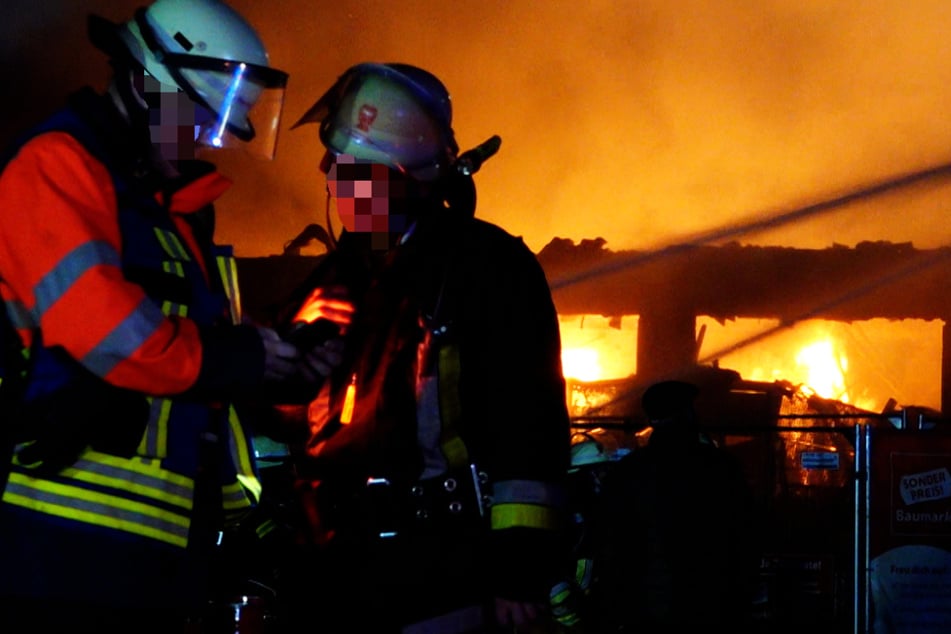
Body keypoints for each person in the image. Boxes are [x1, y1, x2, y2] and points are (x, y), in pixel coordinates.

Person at [0, 1, 335, 632]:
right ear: (139, 83)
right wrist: (245, 356)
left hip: (159, 564)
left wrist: (279, 368)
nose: (201, 144)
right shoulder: (56, 169)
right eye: (193, 121)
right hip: (56, 557)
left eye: (212, 129)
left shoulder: (171, 215)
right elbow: (112, 336)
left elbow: (195, 373)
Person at [271, 62, 573, 633]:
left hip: (442, 571)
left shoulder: (487, 269)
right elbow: (282, 417)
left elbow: (527, 424)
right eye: (332, 163)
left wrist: (518, 569)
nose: (332, 178)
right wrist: (284, 358)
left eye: (351, 168)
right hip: (331, 572)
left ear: (404, 178)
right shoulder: (334, 281)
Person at [587, 379, 761, 632]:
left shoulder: (628, 472)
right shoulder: (720, 468)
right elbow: (745, 534)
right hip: (710, 605)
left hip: (644, 608)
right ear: (686, 414)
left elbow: (609, 540)